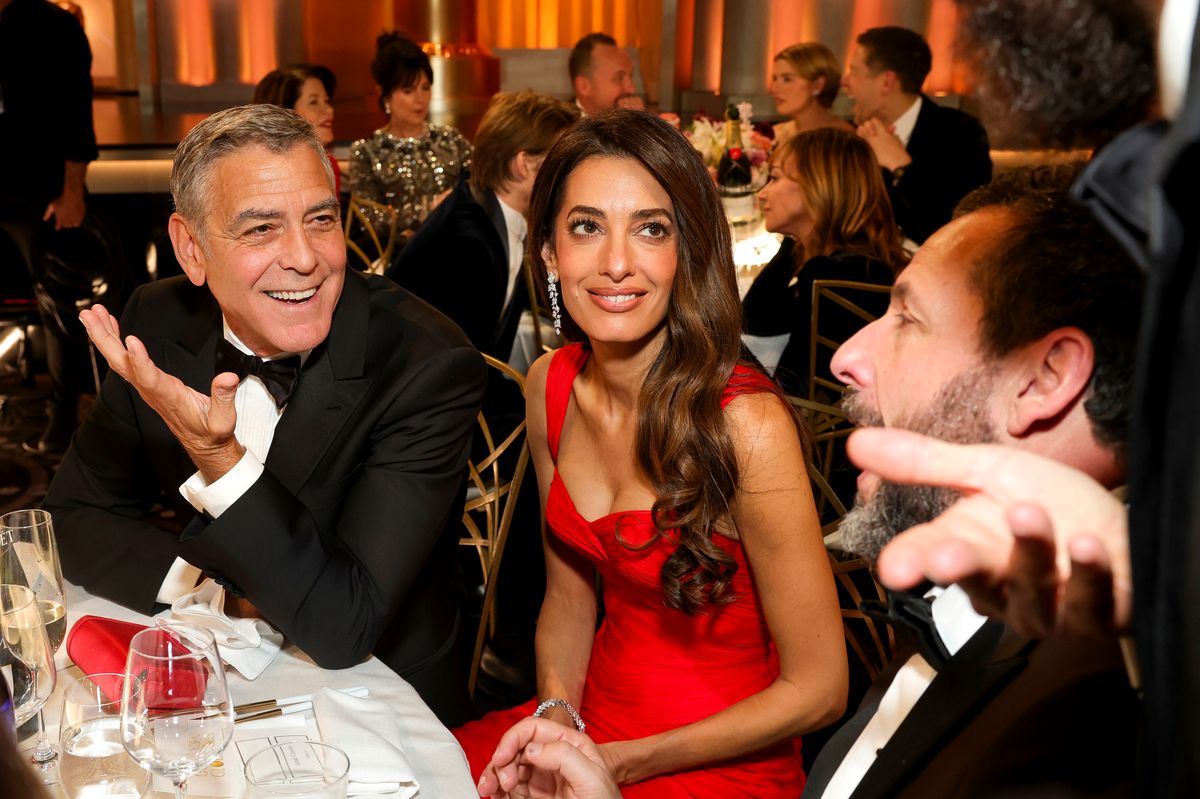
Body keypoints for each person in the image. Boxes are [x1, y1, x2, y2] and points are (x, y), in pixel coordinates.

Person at [43, 104, 487, 726]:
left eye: (321, 220)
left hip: (379, 699)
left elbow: (343, 625)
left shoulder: (426, 363)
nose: (305, 258)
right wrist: (214, 592)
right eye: (261, 230)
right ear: (191, 250)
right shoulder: (156, 323)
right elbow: (73, 516)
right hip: (204, 669)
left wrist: (219, 460)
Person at [456, 110, 848, 797]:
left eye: (650, 228)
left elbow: (820, 689)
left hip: (719, 758)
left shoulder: (746, 424)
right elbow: (570, 602)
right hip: (590, 722)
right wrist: (555, 719)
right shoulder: (550, 385)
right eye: (585, 226)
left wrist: (622, 761)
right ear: (549, 251)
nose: (615, 262)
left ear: (686, 252)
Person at [797, 164, 1142, 798]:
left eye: (909, 319)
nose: (846, 357)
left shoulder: (1088, 727)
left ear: (1042, 381)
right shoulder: (968, 602)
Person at [389, 90, 579, 358]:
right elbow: (459, 365)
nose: (569, 175)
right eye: (560, 162)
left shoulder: (488, 211)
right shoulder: (467, 243)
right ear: (524, 165)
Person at [0, 0, 99, 455]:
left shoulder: (53, 25)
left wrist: (73, 190)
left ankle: (64, 418)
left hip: (36, 193)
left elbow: (77, 115)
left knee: (55, 306)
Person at [741, 128, 906, 397]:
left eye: (775, 178)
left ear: (818, 187)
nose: (762, 193)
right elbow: (755, 318)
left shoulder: (841, 277)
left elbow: (796, 392)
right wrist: (798, 236)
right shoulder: (837, 261)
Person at [840, 26, 991, 244]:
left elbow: (957, 231)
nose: (845, 81)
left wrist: (900, 167)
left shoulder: (960, 133)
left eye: (854, 71)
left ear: (886, 83)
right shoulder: (858, 136)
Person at [348, 31, 471, 239]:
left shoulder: (451, 140)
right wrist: (428, 209)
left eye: (425, 88)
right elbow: (369, 218)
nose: (420, 98)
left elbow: (481, 188)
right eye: (408, 90)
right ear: (384, 94)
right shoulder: (367, 151)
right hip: (400, 257)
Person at [253, 63, 341, 193]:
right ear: (285, 112)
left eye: (327, 101)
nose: (329, 110)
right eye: (313, 102)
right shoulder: (261, 171)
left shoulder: (328, 164)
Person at [769, 43, 855, 147]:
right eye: (774, 79)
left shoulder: (842, 139)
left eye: (787, 79)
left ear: (817, 85)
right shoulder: (777, 134)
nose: (774, 89)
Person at [568, 33, 644, 115]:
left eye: (630, 76)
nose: (632, 89)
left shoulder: (639, 120)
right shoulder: (560, 125)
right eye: (619, 78)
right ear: (583, 86)